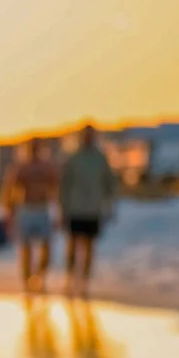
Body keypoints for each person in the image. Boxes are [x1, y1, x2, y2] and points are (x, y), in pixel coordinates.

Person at [59, 125, 116, 294]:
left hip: (93, 209)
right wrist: (63, 207)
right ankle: (69, 278)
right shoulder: (74, 158)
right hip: (75, 208)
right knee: (73, 244)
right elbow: (65, 185)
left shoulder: (100, 159)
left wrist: (109, 205)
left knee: (90, 246)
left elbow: (109, 183)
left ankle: (84, 280)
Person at [4, 137, 62, 294]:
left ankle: (40, 276)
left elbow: (56, 189)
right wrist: (9, 212)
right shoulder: (21, 167)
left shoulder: (48, 167)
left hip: (42, 209)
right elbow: (9, 190)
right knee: (26, 247)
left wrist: (58, 212)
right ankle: (26, 279)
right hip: (26, 209)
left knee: (46, 246)